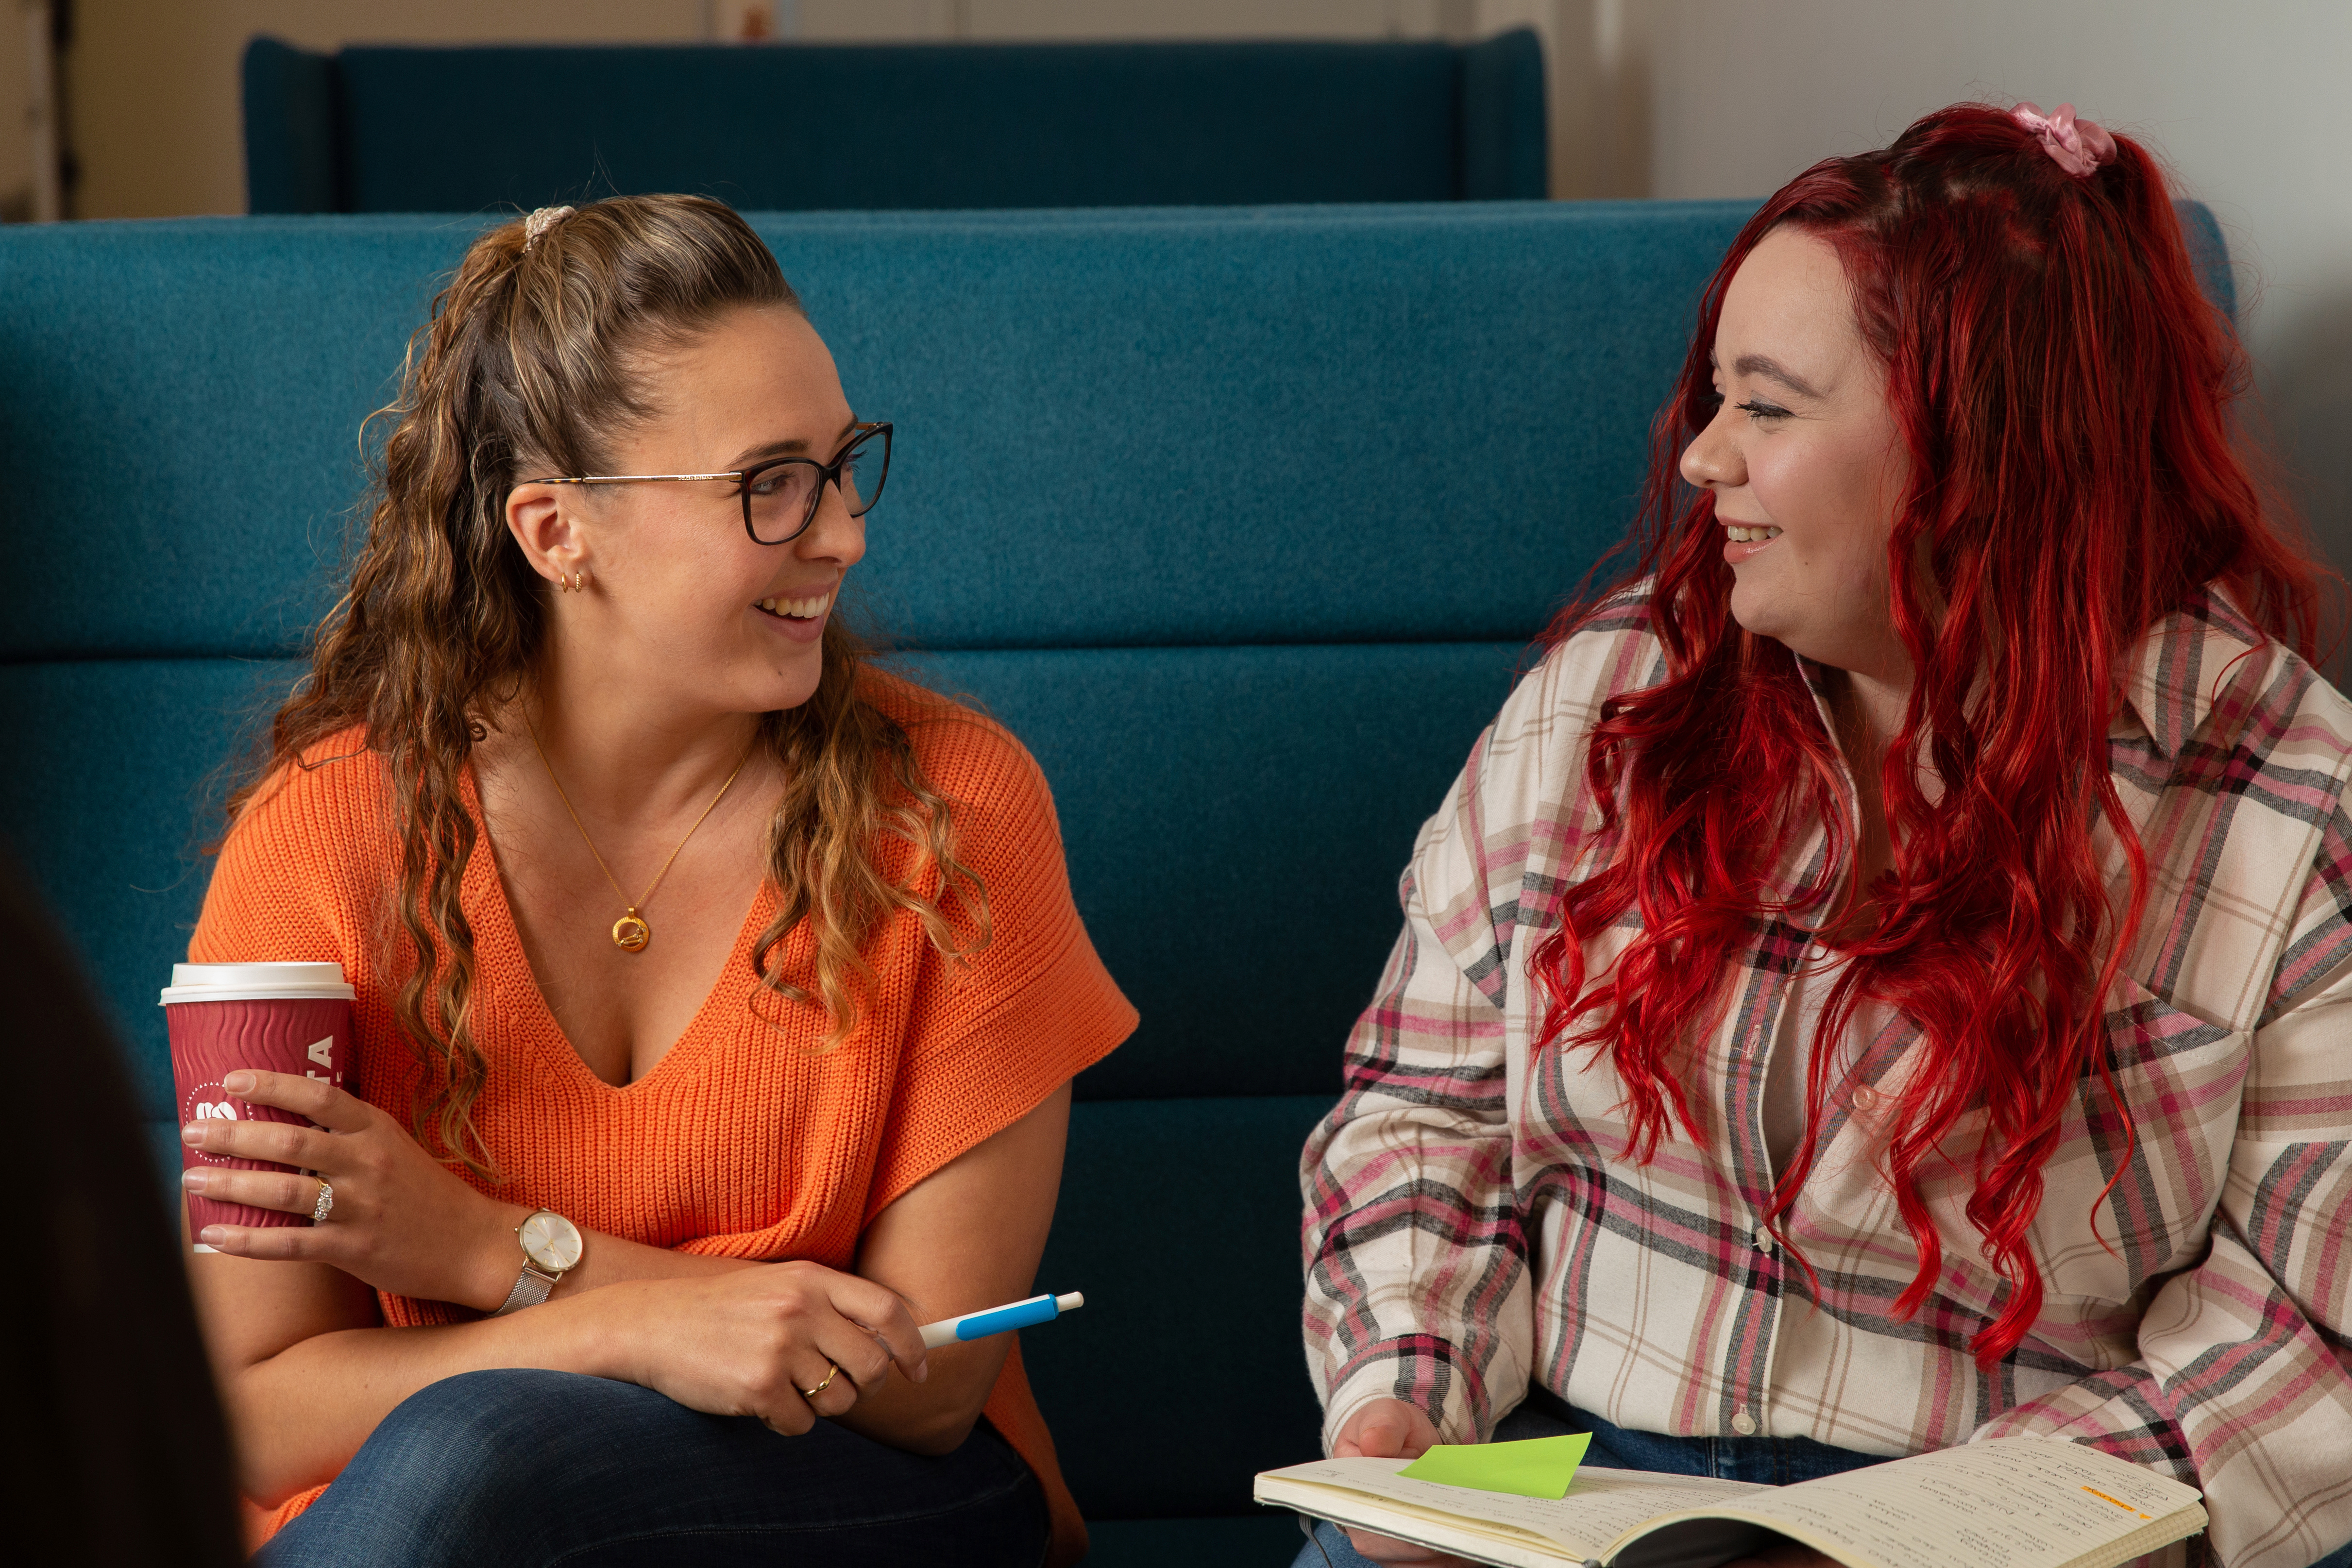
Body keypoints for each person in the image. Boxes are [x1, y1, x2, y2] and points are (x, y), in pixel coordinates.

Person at [1297, 102, 2352, 1568]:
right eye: (1714, 398)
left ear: (1981, 452)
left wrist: (1960, 1533)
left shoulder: (2282, 797)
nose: (1702, 462)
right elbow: (1424, 1109)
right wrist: (1403, 1399)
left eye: (1769, 408)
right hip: (1557, 1475)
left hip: (2005, 1520)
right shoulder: (1608, 699)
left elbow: (2310, 1330)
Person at [176, 195, 1134, 1568]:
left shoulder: (954, 812)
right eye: (770, 484)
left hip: (871, 1495)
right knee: (468, 1471)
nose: (844, 534)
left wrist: (495, 1256)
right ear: (558, 532)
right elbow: (256, 1416)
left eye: (843, 464)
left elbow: (931, 1382)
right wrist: (613, 1324)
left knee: (478, 1457)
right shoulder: (321, 837)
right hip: (441, 1526)